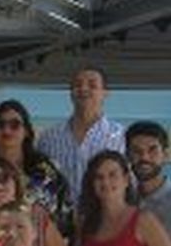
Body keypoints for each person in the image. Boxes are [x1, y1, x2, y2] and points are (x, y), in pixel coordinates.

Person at [0, 100, 72, 235]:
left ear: (26, 131)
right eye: (0, 124)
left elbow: (63, 219)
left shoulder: (47, 173)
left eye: (15, 125)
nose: (7, 130)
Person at [39, 66, 126, 196]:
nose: (84, 89)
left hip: (105, 215)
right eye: (77, 85)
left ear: (105, 93)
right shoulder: (49, 138)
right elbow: (42, 182)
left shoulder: (121, 137)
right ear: (71, 92)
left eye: (92, 85)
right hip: (59, 215)